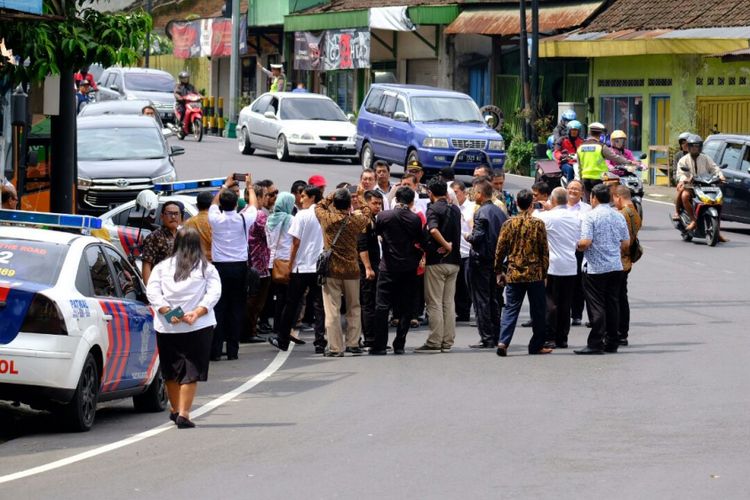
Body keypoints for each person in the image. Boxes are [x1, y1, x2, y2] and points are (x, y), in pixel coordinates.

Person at [146, 228, 221, 429]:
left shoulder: (161, 267)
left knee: (171, 370)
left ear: (175, 244)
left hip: (167, 327)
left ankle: (175, 409)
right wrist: (197, 312)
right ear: (198, 245)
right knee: (191, 369)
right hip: (199, 326)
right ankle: (184, 413)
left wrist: (168, 312)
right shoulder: (207, 269)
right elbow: (214, 293)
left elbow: (152, 291)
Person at [316, 187, 372, 357]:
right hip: (351, 270)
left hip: (332, 270)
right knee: (354, 307)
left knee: (332, 309)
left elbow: (318, 206)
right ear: (349, 206)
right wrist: (360, 196)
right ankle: (353, 343)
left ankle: (335, 347)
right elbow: (367, 212)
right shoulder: (355, 221)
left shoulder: (328, 219)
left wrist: (333, 194)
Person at [574, 184, 630, 355]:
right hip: (615, 266)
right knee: (612, 304)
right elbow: (626, 243)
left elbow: (586, 242)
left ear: (594, 198)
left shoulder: (590, 217)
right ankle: (612, 341)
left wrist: (577, 245)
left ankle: (596, 343)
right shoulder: (618, 216)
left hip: (596, 268)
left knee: (596, 306)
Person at [494, 189, 551, 357]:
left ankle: (503, 342)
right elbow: (544, 251)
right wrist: (545, 273)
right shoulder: (538, 224)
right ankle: (536, 345)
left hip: (514, 273)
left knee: (511, 309)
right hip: (535, 274)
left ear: (517, 204)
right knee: (538, 311)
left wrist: (498, 271)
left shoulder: (508, 224)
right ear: (531, 205)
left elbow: (499, 250)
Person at [269, 186, 325, 352]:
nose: (301, 200)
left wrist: (291, 264)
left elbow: (295, 243)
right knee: (319, 306)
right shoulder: (323, 215)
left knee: (291, 304)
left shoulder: (302, 215)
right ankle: (320, 342)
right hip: (317, 266)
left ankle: (283, 339)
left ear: (313, 197)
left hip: (301, 267)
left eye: (304, 196)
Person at [208, 174, 258, 361]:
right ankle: (233, 351)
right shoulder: (243, 219)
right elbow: (254, 206)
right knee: (236, 308)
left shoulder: (215, 218)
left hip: (219, 267)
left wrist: (224, 185)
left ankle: (215, 350)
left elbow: (214, 203)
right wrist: (250, 186)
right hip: (239, 267)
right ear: (237, 203)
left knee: (219, 308)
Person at [371, 186, 425, 355]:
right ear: (411, 202)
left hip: (388, 266)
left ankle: (380, 344)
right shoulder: (415, 219)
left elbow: (376, 232)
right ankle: (399, 343)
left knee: (382, 306)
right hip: (408, 267)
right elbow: (420, 240)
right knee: (406, 306)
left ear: (396, 200)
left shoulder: (384, 216)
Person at [415, 179, 462, 353]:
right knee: (448, 303)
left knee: (434, 302)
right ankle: (447, 341)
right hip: (454, 262)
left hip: (437, 261)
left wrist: (446, 244)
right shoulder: (455, 209)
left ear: (430, 193)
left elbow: (433, 229)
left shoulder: (433, 209)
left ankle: (434, 341)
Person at [534, 187, 581, 349]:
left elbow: (534, 216)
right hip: (570, 264)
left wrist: (545, 208)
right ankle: (563, 338)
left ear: (553, 201)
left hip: (553, 264)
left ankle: (550, 336)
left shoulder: (547, 217)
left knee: (551, 302)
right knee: (565, 303)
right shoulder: (575, 217)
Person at [466, 180, 507, 348]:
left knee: (482, 300)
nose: (474, 195)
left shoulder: (481, 212)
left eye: (475, 192)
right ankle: (496, 334)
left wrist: (468, 236)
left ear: (480, 194)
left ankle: (487, 337)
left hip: (481, 261)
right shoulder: (500, 212)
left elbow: (477, 237)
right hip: (497, 261)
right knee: (494, 299)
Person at [675, 134, 725, 232]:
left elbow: (714, 168)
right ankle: (693, 220)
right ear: (688, 147)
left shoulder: (705, 158)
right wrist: (685, 179)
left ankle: (717, 231)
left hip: (706, 186)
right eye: (692, 146)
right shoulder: (683, 160)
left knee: (719, 200)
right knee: (685, 196)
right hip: (691, 186)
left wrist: (721, 176)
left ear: (700, 147)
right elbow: (681, 174)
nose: (694, 148)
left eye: (697, 146)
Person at [577, 122, 639, 201]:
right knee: (601, 202)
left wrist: (581, 179)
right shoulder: (601, 147)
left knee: (589, 202)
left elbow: (579, 166)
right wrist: (629, 162)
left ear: (589, 132)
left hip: (585, 179)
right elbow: (615, 157)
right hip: (599, 179)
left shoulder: (580, 147)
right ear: (600, 134)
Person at [613, 185, 641, 347]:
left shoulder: (623, 214)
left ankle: (619, 332)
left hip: (621, 259)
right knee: (622, 297)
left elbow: (625, 243)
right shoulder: (635, 212)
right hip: (628, 260)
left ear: (618, 197)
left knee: (616, 298)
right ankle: (623, 333)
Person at [266, 192, 295, 335]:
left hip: (272, 261)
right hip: (286, 261)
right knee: (287, 296)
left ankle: (276, 325)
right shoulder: (290, 219)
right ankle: (283, 326)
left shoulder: (270, 218)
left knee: (277, 296)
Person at [246, 184, 272, 342]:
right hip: (260, 263)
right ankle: (251, 331)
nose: (267, 198)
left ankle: (248, 330)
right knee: (256, 301)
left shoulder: (244, 213)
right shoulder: (260, 215)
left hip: (248, 262)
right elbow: (268, 237)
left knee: (248, 299)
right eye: (264, 195)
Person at [358, 190, 384, 349]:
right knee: (368, 303)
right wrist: (368, 268)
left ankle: (373, 337)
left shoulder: (372, 219)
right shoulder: (363, 220)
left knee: (374, 302)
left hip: (375, 265)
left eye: (380, 203)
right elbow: (362, 247)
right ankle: (369, 339)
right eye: (374, 203)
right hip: (366, 269)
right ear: (366, 202)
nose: (378, 206)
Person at [566, 180, 591, 327]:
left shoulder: (587, 209)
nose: (573, 191)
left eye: (576, 189)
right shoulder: (559, 206)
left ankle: (576, 314)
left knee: (578, 283)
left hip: (579, 250)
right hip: (562, 250)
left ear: (582, 192)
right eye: (570, 188)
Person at [142, 201, 183, 284]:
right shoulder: (155, 237)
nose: (173, 216)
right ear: (162, 216)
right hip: (162, 285)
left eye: (176, 213)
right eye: (169, 214)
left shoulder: (183, 235)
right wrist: (150, 290)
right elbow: (147, 265)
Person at [452, 181, 475, 322]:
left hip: (468, 250)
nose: (454, 196)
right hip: (455, 251)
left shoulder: (471, 208)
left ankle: (467, 309)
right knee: (457, 284)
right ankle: (461, 312)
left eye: (456, 193)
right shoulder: (452, 208)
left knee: (467, 284)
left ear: (464, 193)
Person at [183, 191, 213, 262]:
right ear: (212, 205)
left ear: (197, 205)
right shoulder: (216, 221)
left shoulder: (188, 222)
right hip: (215, 261)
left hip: (195, 261)